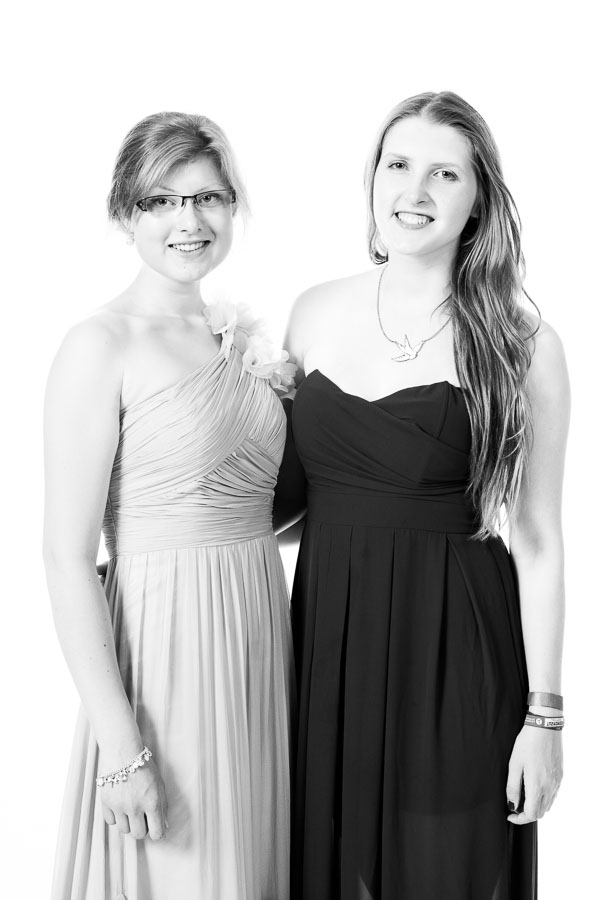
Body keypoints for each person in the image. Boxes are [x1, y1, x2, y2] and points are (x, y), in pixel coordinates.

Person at [284, 91, 568, 899]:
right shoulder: (312, 312)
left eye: (445, 173)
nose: (415, 190)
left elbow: (539, 540)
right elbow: (289, 507)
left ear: (479, 199)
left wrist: (545, 719)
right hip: (328, 650)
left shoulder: (522, 343)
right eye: (398, 165)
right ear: (373, 179)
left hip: (456, 652)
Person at [43, 112, 295, 900]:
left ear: (233, 205)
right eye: (161, 201)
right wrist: (122, 749)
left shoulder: (237, 341)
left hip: (259, 633)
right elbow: (64, 557)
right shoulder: (100, 344)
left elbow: (261, 507)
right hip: (166, 649)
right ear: (126, 214)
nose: (189, 221)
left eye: (208, 197)